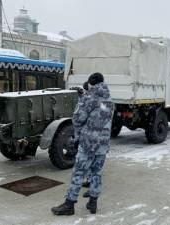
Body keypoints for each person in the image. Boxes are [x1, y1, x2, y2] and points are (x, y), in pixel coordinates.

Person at [52, 73, 114, 216]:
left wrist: (79, 134)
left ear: (91, 83)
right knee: (96, 173)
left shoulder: (89, 97)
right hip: (103, 144)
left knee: (78, 172)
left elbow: (77, 119)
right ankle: (93, 202)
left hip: (88, 143)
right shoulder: (109, 99)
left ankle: (69, 204)